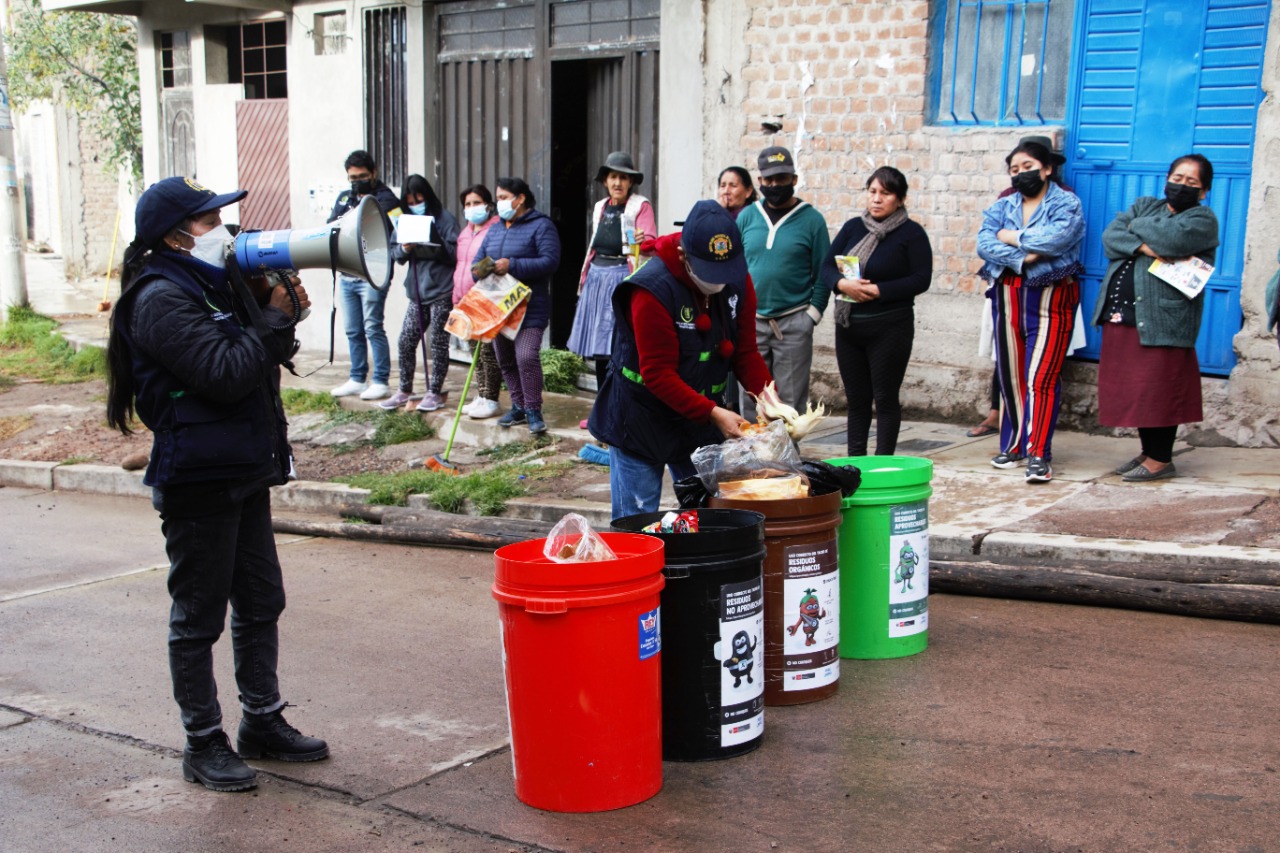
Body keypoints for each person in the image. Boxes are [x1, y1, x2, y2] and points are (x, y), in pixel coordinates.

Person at [104, 177, 327, 793]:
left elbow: (259, 358)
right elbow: (226, 374)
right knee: (198, 618)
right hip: (199, 480)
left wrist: (277, 312)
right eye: (209, 221)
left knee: (260, 602)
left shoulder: (210, 284)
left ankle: (262, 721)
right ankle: (203, 742)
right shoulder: (160, 298)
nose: (223, 231)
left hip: (242, 468)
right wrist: (271, 320)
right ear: (176, 236)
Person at [589, 200, 773, 519]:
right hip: (641, 418)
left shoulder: (737, 280)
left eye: (725, 272)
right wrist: (715, 413)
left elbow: (745, 352)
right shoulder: (651, 290)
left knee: (705, 517)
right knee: (637, 520)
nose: (718, 282)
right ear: (683, 255)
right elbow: (657, 373)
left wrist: (770, 400)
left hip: (697, 421)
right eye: (710, 272)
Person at [1092, 154, 1220, 482]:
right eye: (1177, 178)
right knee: (1138, 388)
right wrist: (1146, 247)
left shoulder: (1202, 219)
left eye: (1191, 182)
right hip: (1124, 313)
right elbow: (1110, 238)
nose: (1181, 185)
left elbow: (1173, 240)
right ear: (1167, 179)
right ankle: (1148, 452)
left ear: (1203, 190)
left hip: (1164, 318)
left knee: (1159, 387)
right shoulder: (1147, 205)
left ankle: (1161, 459)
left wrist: (1135, 227)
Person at [976, 139, 1085, 484]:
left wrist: (1008, 237)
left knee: (1041, 377)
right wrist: (1024, 256)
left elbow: (1056, 240)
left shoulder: (1066, 203)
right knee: (1011, 375)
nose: (1021, 174)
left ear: (1047, 168)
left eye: (1028, 167)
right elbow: (984, 243)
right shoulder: (1003, 205)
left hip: (1052, 297)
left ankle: (1039, 454)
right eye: (1015, 169)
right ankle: (1014, 445)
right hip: (1007, 295)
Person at [821, 166, 933, 456]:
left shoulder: (911, 234)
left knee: (884, 398)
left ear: (901, 198)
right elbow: (826, 267)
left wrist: (879, 290)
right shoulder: (853, 228)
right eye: (872, 191)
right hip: (849, 327)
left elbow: (921, 279)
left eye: (886, 193)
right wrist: (842, 284)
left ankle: (883, 465)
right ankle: (856, 466)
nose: (877, 198)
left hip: (890, 327)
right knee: (856, 400)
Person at [737, 145, 832, 419]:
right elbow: (734, 267)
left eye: (781, 178)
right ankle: (753, 448)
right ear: (760, 181)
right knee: (752, 400)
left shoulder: (812, 220)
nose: (775, 185)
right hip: (751, 322)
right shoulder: (747, 216)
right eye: (769, 179)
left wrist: (811, 316)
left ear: (794, 179)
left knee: (790, 405)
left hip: (793, 323)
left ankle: (786, 450)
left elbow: (824, 272)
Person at [474, 176, 561, 435]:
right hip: (499, 308)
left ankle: (533, 409)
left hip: (530, 306)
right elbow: (478, 260)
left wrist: (513, 265)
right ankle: (518, 406)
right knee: (506, 359)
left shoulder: (542, 225)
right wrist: (479, 270)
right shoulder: (495, 229)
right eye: (498, 198)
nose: (499, 203)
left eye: (503, 197)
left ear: (520, 198)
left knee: (526, 356)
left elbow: (550, 261)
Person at [568, 151, 657, 390]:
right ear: (605, 181)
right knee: (600, 350)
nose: (618, 183)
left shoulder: (640, 206)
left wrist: (642, 239)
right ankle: (601, 402)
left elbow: (650, 242)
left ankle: (617, 402)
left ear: (631, 182)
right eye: (613, 177)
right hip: (596, 277)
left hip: (621, 277)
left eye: (623, 178)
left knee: (617, 345)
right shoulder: (600, 206)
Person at [380, 174, 460, 412]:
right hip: (417, 291)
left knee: (438, 343)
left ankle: (434, 391)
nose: (416, 205)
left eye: (419, 200)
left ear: (428, 197)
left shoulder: (445, 219)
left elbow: (455, 253)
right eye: (411, 202)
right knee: (406, 340)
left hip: (442, 290)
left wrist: (434, 243)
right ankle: (404, 389)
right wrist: (405, 248)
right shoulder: (404, 220)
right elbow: (396, 254)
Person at [328, 150, 401, 401]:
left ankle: (380, 380)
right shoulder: (344, 198)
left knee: (373, 327)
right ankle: (357, 378)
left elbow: (395, 228)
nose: (357, 182)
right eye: (353, 178)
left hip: (373, 273)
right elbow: (332, 225)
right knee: (352, 329)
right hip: (348, 273)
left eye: (362, 176)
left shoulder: (387, 199)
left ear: (374, 173)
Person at [453, 184, 504, 419]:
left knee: (487, 353)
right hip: (464, 299)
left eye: (477, 203)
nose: (472, 208)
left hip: (484, 299)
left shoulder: (495, 230)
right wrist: (456, 296)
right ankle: (481, 395)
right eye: (468, 204)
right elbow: (460, 266)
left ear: (488, 205)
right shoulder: (465, 233)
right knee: (474, 352)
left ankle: (492, 399)